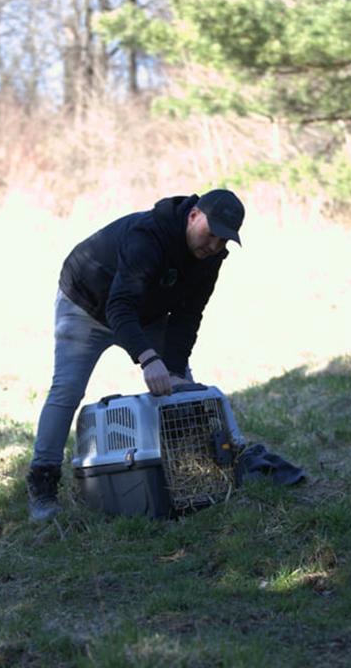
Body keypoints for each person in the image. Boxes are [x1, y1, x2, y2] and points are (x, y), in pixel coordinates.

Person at [26, 188, 246, 521]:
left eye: (223, 241)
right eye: (211, 234)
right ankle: (42, 485)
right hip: (86, 303)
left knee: (180, 384)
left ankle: (189, 471)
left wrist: (170, 366)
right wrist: (148, 358)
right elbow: (119, 306)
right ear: (193, 216)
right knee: (67, 389)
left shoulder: (211, 257)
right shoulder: (149, 236)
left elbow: (189, 316)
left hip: (144, 311)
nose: (214, 245)